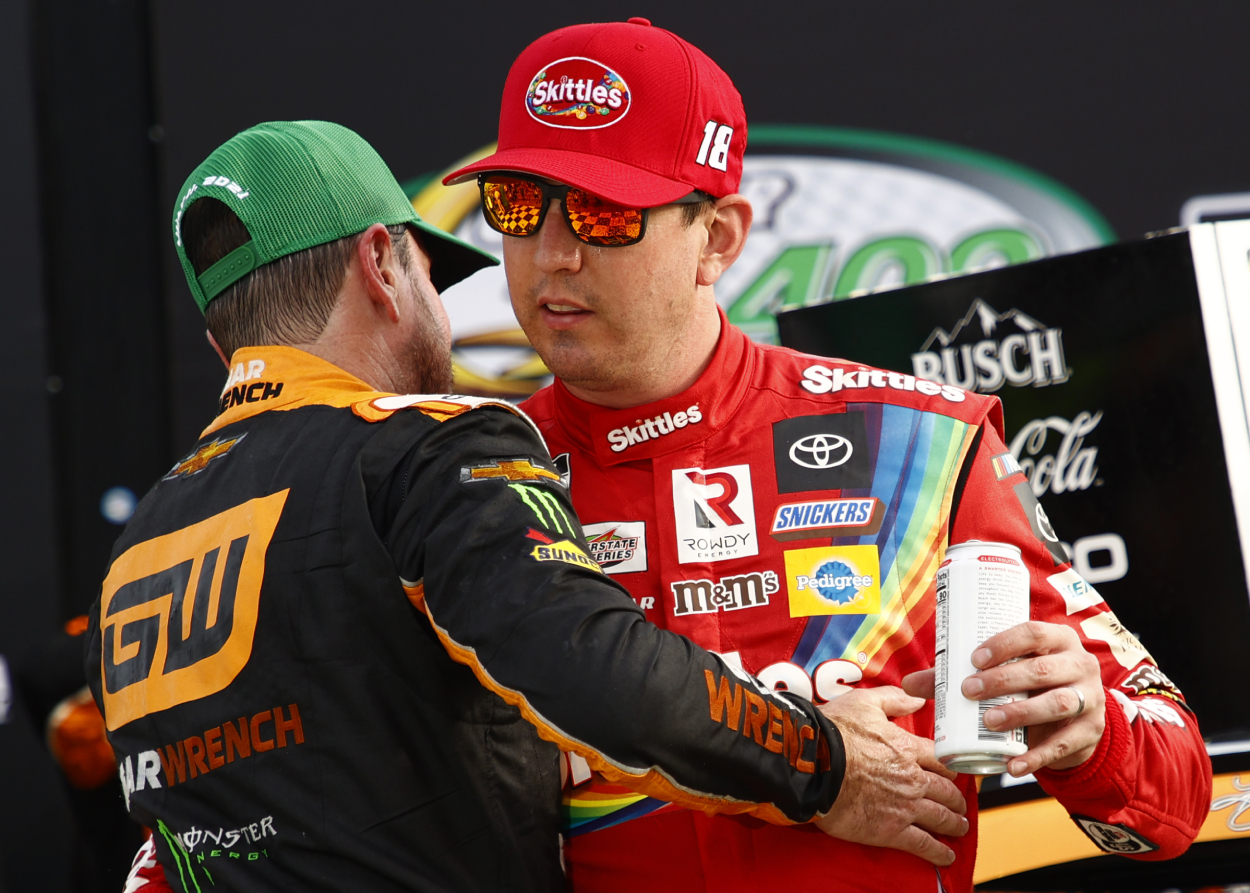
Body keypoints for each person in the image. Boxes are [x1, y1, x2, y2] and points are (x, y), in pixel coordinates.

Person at [88, 120, 970, 893]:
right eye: (433, 274)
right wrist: (828, 761)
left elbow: (170, 848)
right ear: (382, 269)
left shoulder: (138, 551)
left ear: (219, 343)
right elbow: (599, 671)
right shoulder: (423, 445)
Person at [442, 17, 1214, 892]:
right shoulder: (466, 480)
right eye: (515, 208)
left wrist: (1091, 732)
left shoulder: (918, 444)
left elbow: (1175, 806)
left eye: (604, 213)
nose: (551, 254)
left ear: (720, 237)